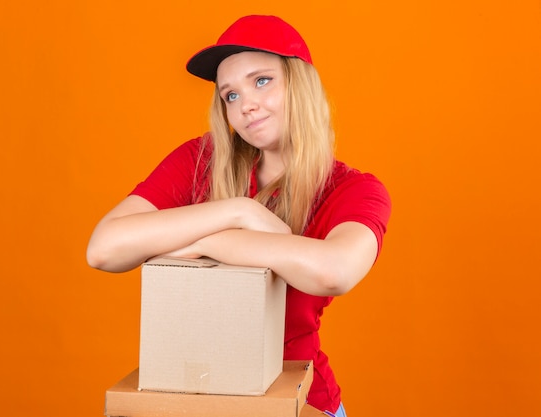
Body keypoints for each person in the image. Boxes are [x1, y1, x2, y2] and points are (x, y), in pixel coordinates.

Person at [87, 15, 391, 416]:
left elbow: (334, 271)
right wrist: (239, 210)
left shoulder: (354, 190)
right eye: (230, 95)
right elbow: (103, 250)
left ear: (299, 83)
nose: (246, 104)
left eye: (261, 81)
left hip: (300, 402)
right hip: (199, 399)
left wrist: (205, 241)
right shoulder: (201, 160)